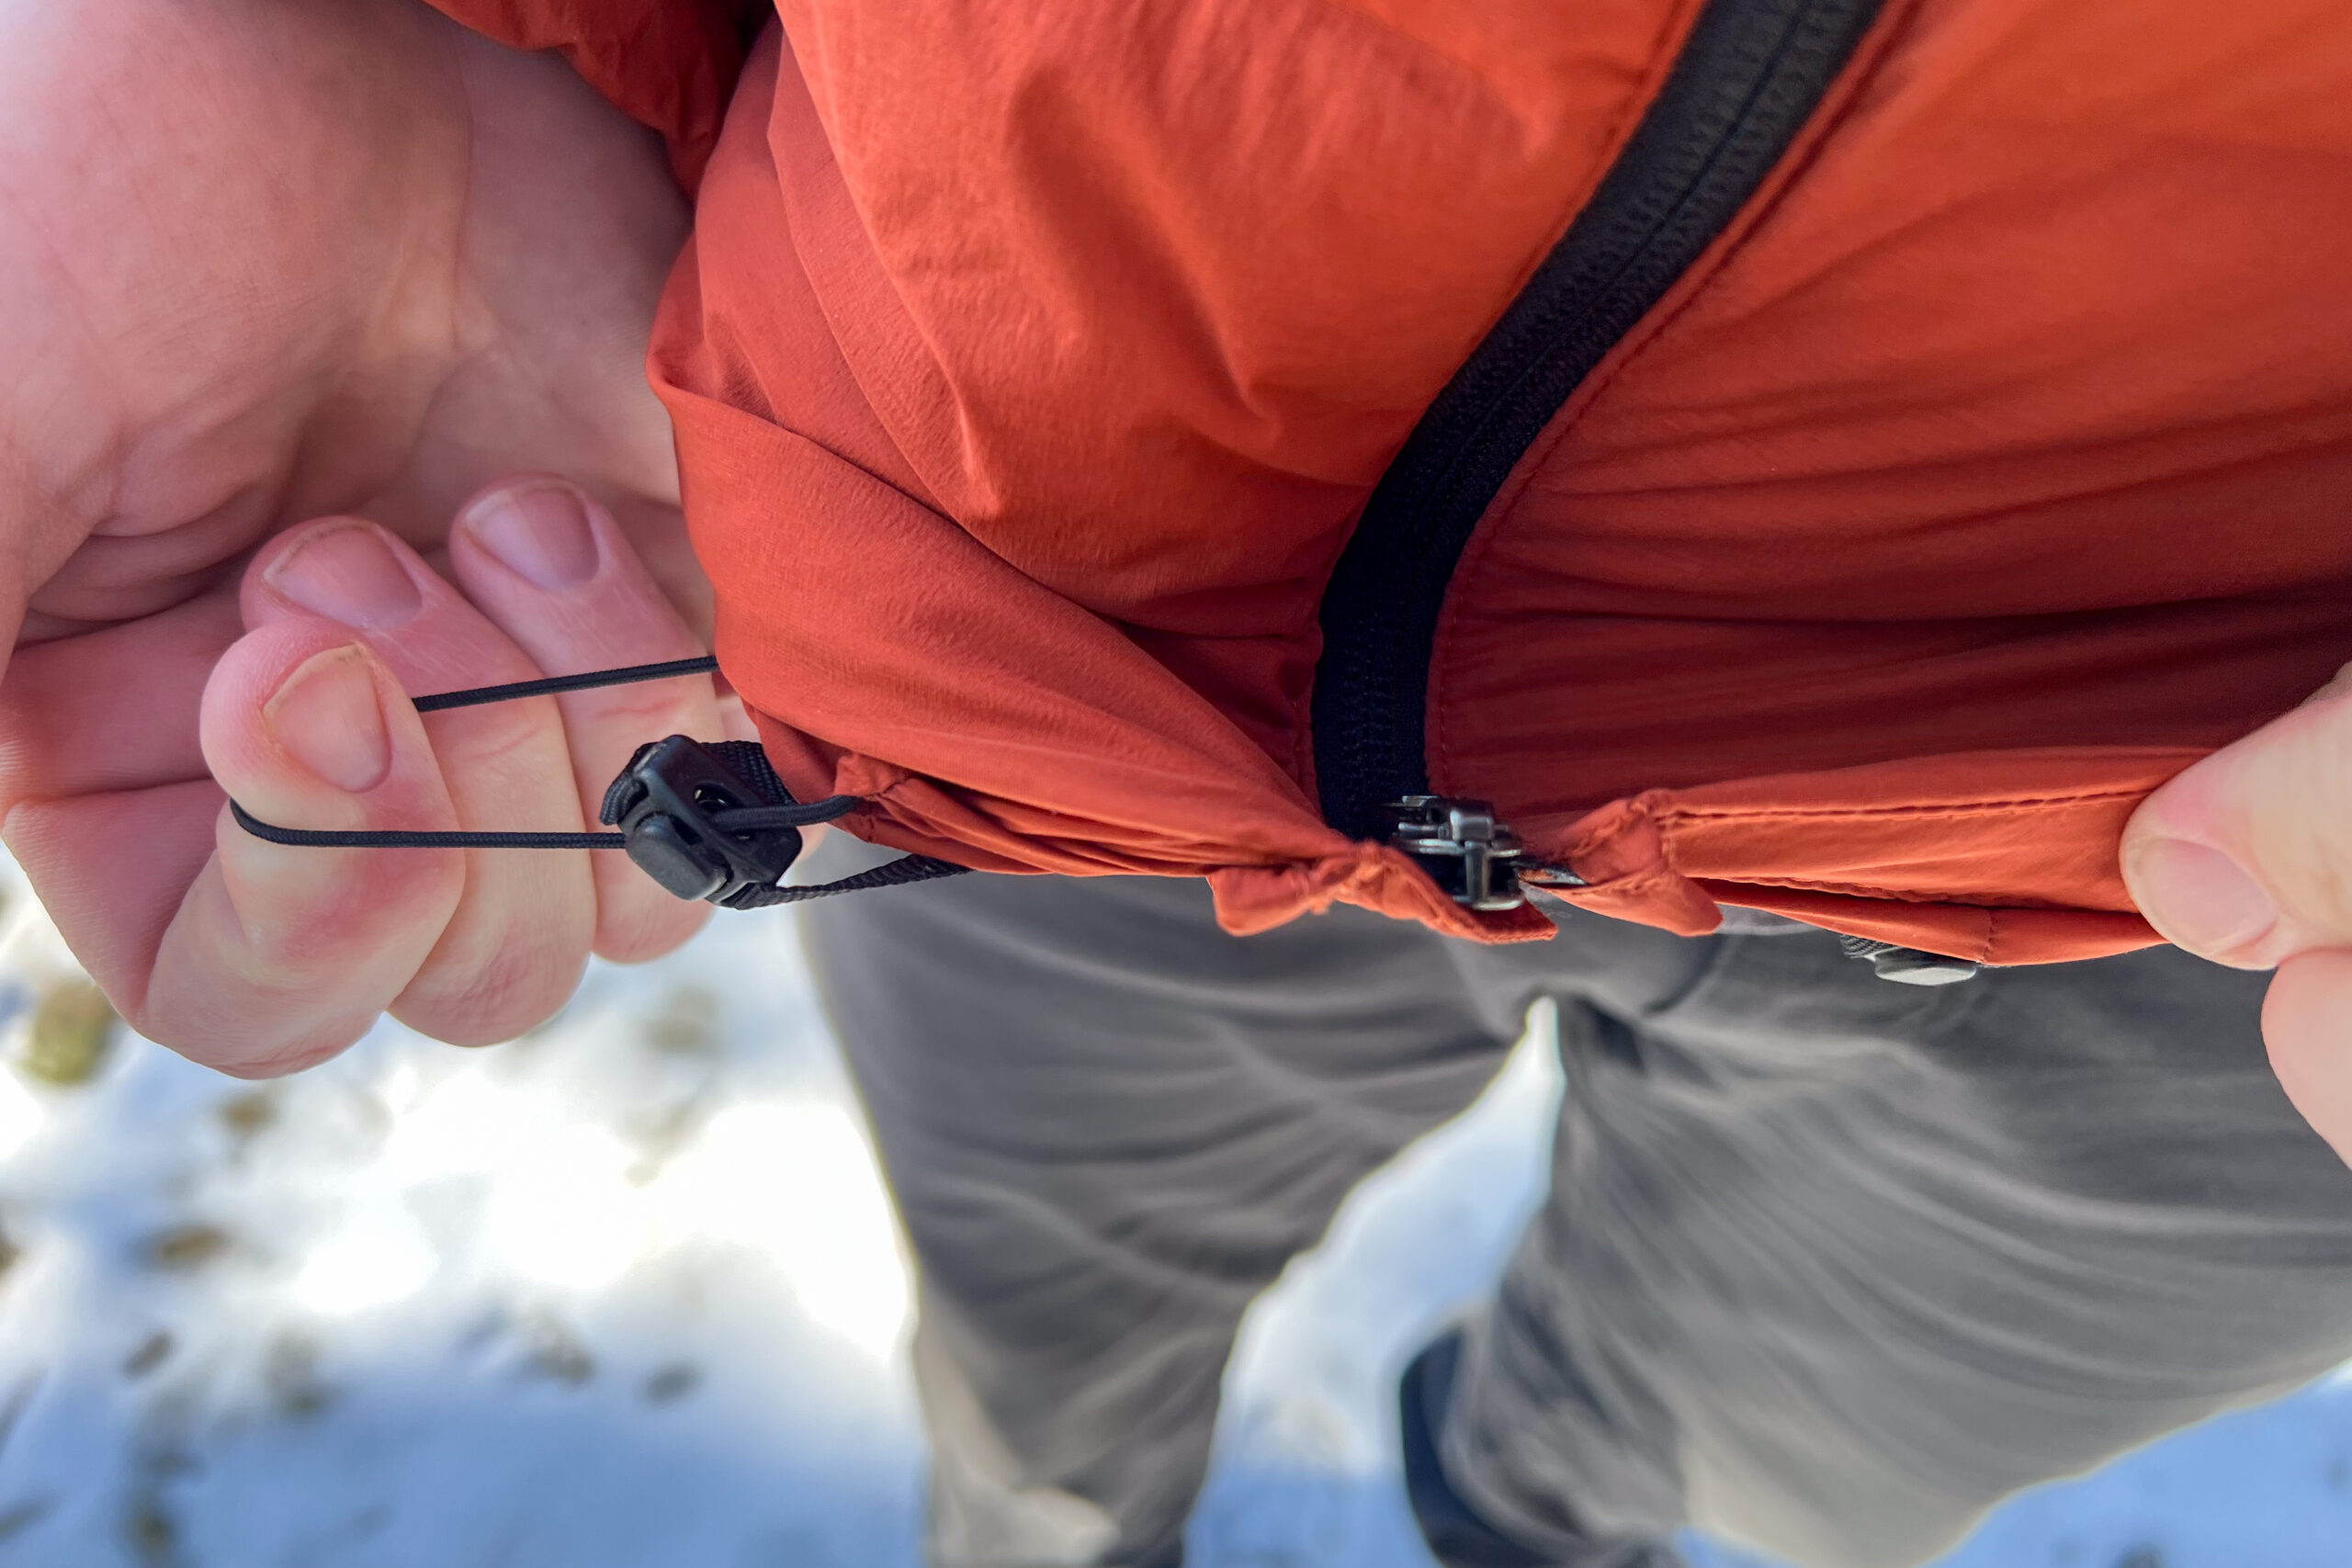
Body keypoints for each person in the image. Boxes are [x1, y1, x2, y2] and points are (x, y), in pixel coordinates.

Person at [1, 0, 2349, 1564]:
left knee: (1776, 1443)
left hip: (2200, 911)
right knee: (1041, 1336)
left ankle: (1527, 1506)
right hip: (996, 691)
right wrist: (439, 54)